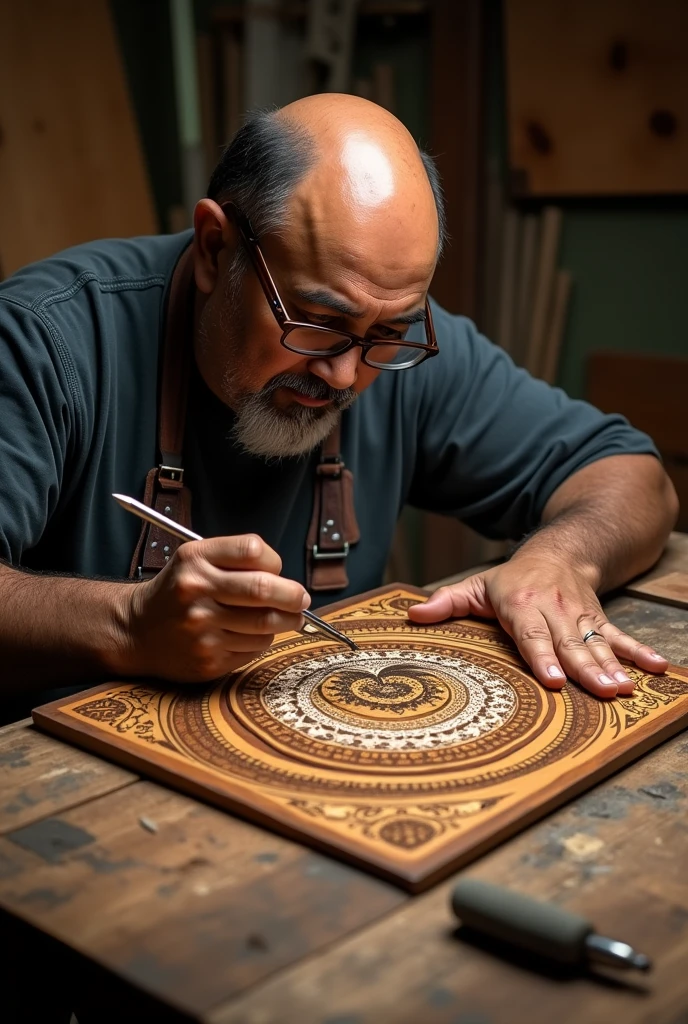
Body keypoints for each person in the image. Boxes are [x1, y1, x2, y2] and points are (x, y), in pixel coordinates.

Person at [0, 94, 677, 720]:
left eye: (388, 333)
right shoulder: (45, 341)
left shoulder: (390, 340)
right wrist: (126, 625)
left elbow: (632, 477)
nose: (347, 372)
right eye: (317, 320)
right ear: (215, 248)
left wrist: (561, 559)